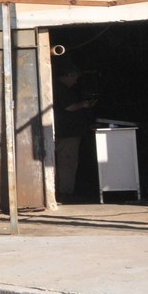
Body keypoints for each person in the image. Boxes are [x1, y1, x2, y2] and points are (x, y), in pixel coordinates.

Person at [53, 64, 97, 200]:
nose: (75, 82)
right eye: (75, 78)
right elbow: (69, 107)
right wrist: (84, 104)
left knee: (57, 162)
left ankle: (58, 190)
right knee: (67, 162)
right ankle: (65, 192)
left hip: (59, 131)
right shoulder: (61, 88)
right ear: (69, 75)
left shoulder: (54, 86)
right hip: (67, 132)